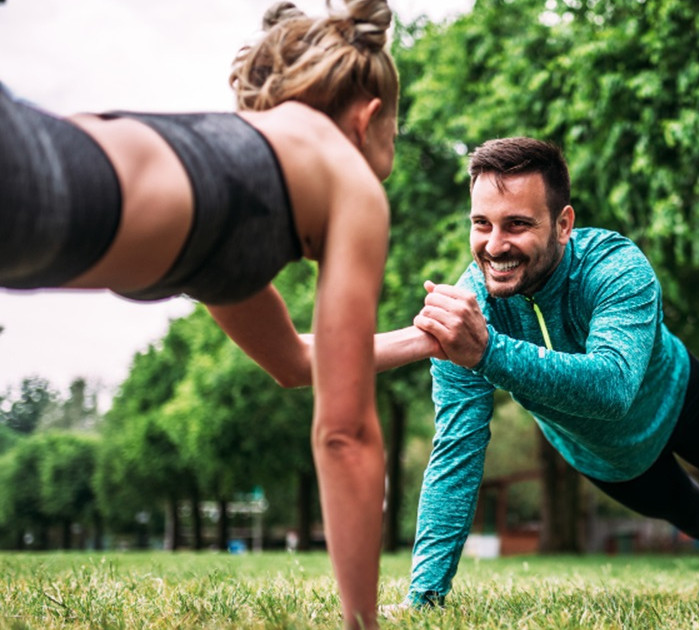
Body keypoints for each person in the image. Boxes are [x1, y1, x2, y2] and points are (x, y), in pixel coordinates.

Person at [0, 1, 438, 627]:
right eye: (394, 140)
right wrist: (363, 624)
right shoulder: (350, 180)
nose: (387, 167)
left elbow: (292, 360)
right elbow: (345, 435)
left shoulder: (231, 204)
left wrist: (421, 340)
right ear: (367, 121)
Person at [401, 137, 699, 609]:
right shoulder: (469, 312)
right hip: (604, 452)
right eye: (481, 223)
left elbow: (613, 387)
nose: (495, 245)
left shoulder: (615, 266)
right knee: (696, 515)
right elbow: (456, 452)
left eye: (518, 224)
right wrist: (425, 596)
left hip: (678, 397)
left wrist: (488, 352)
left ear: (563, 224)